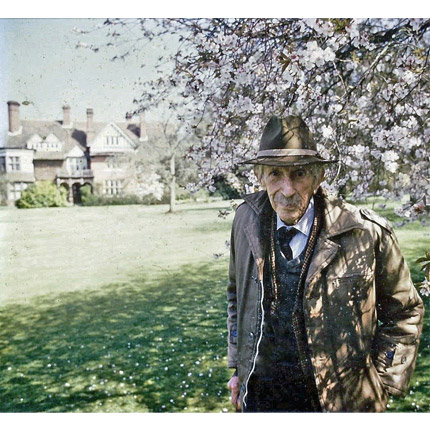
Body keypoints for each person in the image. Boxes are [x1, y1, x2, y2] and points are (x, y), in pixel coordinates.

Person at [226, 115, 424, 412]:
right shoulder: (245, 221)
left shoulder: (365, 233)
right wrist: (239, 369)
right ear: (259, 177)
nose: (288, 189)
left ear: (319, 177)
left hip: (338, 404)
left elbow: (405, 311)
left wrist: (382, 382)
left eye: (300, 174)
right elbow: (236, 297)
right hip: (261, 400)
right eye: (276, 174)